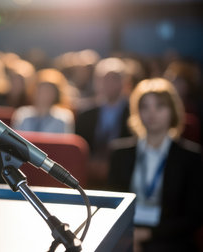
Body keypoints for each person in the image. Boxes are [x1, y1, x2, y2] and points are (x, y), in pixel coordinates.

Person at [106, 78, 203, 252]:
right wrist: (129, 234)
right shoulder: (119, 154)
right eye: (145, 107)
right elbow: (111, 204)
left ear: (173, 111)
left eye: (159, 106)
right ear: (137, 112)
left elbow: (193, 217)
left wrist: (146, 234)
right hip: (125, 233)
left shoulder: (191, 157)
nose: (152, 113)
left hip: (170, 239)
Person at [75, 57, 132, 185]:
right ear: (97, 82)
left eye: (115, 78)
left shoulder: (134, 114)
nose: (110, 83)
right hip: (88, 176)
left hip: (121, 176)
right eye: (105, 78)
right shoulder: (85, 114)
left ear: (125, 82)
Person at [11, 68, 74, 133]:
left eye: (49, 91)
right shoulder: (22, 113)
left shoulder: (64, 117)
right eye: (41, 90)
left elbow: (64, 141)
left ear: (57, 94)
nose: (44, 94)